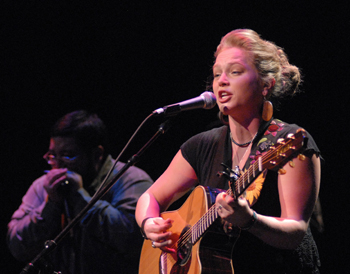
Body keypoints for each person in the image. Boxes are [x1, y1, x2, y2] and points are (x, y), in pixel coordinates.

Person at [135, 29, 321, 273]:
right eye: (216, 74)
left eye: (235, 72)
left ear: (266, 85)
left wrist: (250, 221)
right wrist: (149, 223)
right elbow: (150, 197)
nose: (222, 80)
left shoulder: (288, 142)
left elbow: (295, 231)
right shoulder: (202, 145)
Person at [7, 110, 153, 274]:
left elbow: (134, 240)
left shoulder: (131, 179)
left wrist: (80, 198)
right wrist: (51, 205)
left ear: (97, 154)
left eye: (68, 156)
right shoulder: (44, 186)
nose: (58, 165)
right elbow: (17, 246)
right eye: (53, 156)